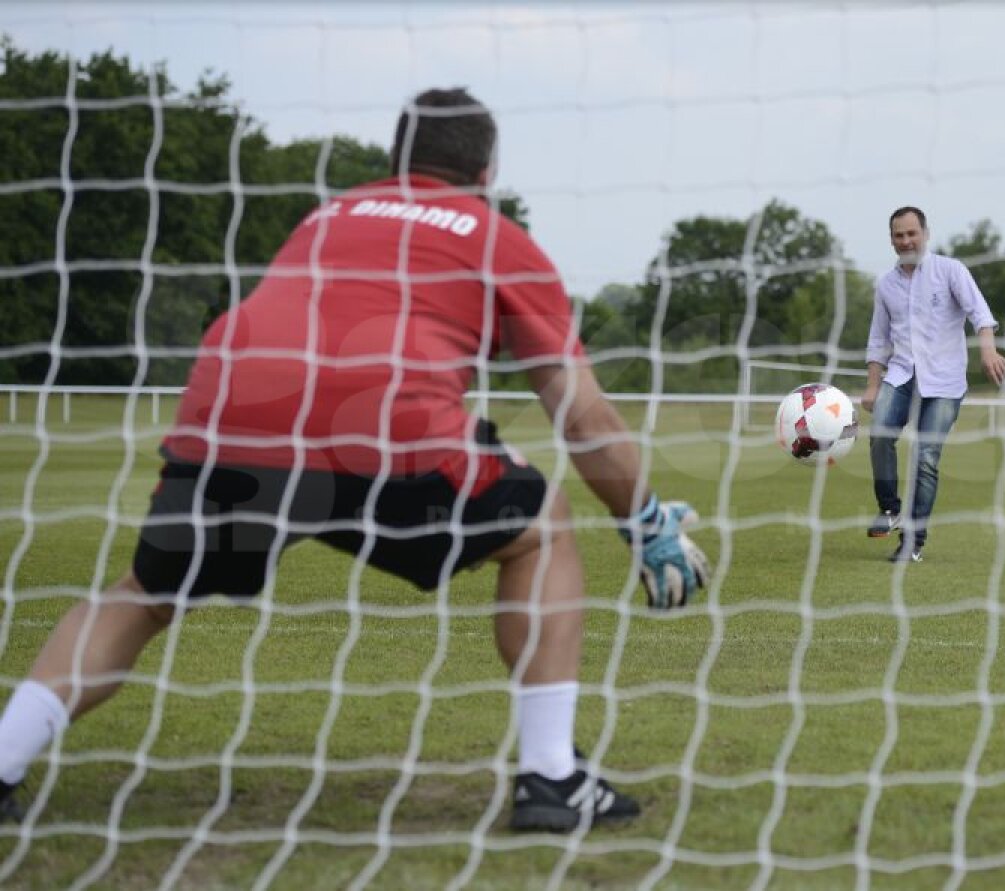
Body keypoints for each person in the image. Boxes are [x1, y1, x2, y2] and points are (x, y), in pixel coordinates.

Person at [0, 87, 709, 833]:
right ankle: (551, 777)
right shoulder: (496, 235)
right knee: (544, 521)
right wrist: (643, 520)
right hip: (383, 433)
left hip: (229, 419)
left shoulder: (327, 217)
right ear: (487, 170)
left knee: (144, 592)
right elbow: (583, 413)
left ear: (394, 160)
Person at [862, 206, 1005, 563]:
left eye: (912, 233)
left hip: (944, 381)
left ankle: (914, 541)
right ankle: (890, 508)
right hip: (901, 375)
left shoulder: (950, 271)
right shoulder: (886, 284)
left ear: (925, 234)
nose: (906, 240)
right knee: (880, 433)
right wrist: (871, 386)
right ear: (892, 240)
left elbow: (980, 314)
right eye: (899, 235)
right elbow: (879, 339)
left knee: (926, 457)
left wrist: (988, 350)